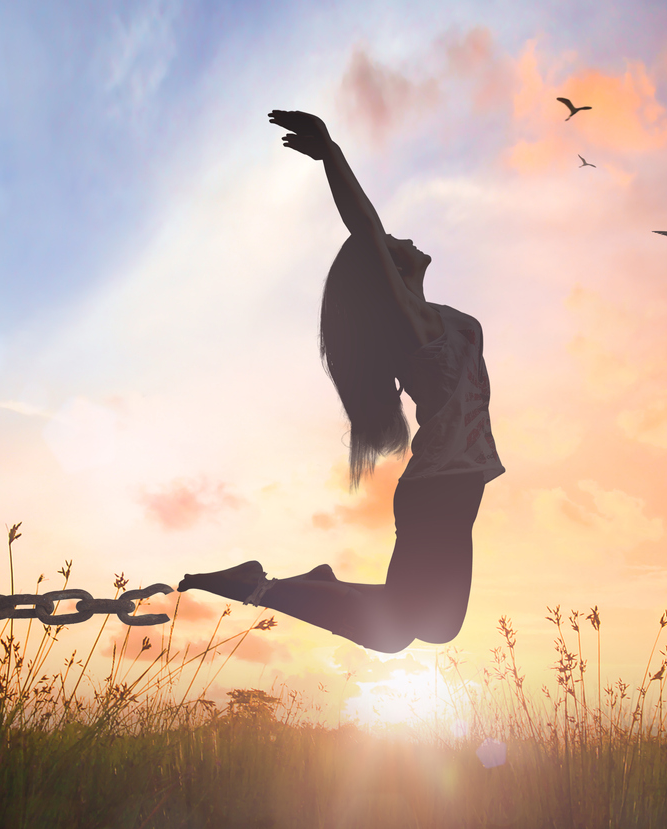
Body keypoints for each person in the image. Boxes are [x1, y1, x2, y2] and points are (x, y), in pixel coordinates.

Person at [178, 110, 504, 654]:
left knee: (418, 626)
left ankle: (294, 585)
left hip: (451, 484)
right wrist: (330, 152)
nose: (398, 236)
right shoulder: (414, 327)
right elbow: (366, 226)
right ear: (386, 273)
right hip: (441, 486)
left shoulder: (436, 316)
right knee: (419, 626)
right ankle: (264, 586)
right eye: (390, 241)